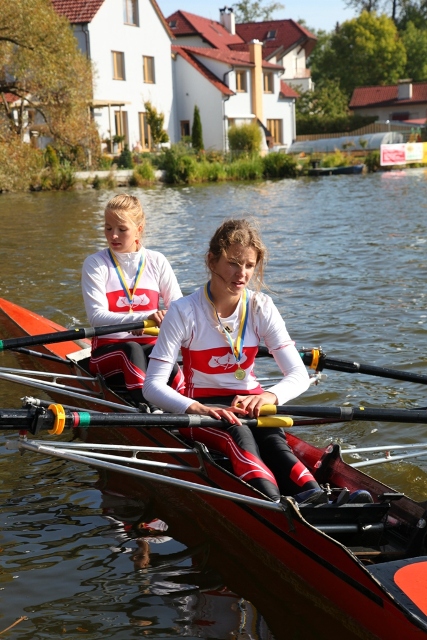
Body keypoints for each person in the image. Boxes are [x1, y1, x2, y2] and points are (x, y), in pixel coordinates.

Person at [143, 218, 323, 503]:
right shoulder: (183, 311)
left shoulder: (261, 307)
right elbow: (152, 386)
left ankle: (315, 496)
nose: (242, 274)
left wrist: (269, 396)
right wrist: (197, 408)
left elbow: (299, 376)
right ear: (211, 261)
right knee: (238, 434)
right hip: (203, 406)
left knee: (274, 440)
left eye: (249, 265)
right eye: (234, 263)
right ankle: (275, 505)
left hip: (249, 401)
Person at [82, 193, 184, 408]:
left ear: (139, 229)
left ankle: (192, 406)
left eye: (122, 229)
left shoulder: (157, 261)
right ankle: (150, 410)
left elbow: (180, 309)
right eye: (108, 228)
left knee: (167, 362)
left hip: (150, 349)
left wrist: (166, 316)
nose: (113, 235)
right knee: (130, 350)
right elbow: (96, 318)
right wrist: (140, 319)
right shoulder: (96, 264)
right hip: (108, 353)